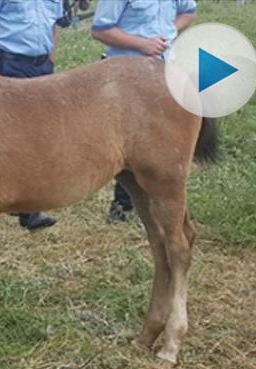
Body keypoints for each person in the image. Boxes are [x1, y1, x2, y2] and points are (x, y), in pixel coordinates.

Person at [91, 0, 197, 223]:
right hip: (127, 79)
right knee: (129, 143)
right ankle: (123, 205)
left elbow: (189, 12)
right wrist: (142, 44)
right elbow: (101, 29)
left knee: (164, 144)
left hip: (164, 70)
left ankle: (168, 204)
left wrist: (169, 31)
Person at [0, 0, 64, 231]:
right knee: (15, 136)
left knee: (37, 135)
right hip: (10, 62)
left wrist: (51, 54)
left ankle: (25, 203)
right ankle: (20, 205)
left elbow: (53, 24)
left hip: (41, 66)